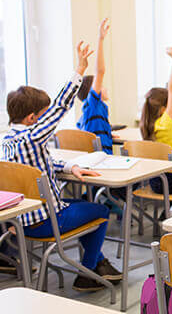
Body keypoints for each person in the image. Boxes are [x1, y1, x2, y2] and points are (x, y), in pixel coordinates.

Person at [1, 41, 122, 291]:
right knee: (100, 211)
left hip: (18, 222)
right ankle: (87, 273)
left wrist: (68, 167)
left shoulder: (8, 141)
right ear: (33, 118)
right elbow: (60, 107)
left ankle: (96, 263)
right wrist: (79, 69)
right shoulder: (32, 136)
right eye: (43, 115)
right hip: (45, 221)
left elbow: (37, 165)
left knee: (83, 207)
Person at [140, 48, 172, 194]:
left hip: (155, 181)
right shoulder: (166, 123)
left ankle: (170, 210)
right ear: (163, 108)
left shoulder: (146, 125)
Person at [76, 18, 114, 154]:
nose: (105, 88)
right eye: (101, 86)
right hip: (104, 159)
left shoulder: (87, 112)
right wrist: (101, 39)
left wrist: (107, 132)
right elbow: (100, 71)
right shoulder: (93, 105)